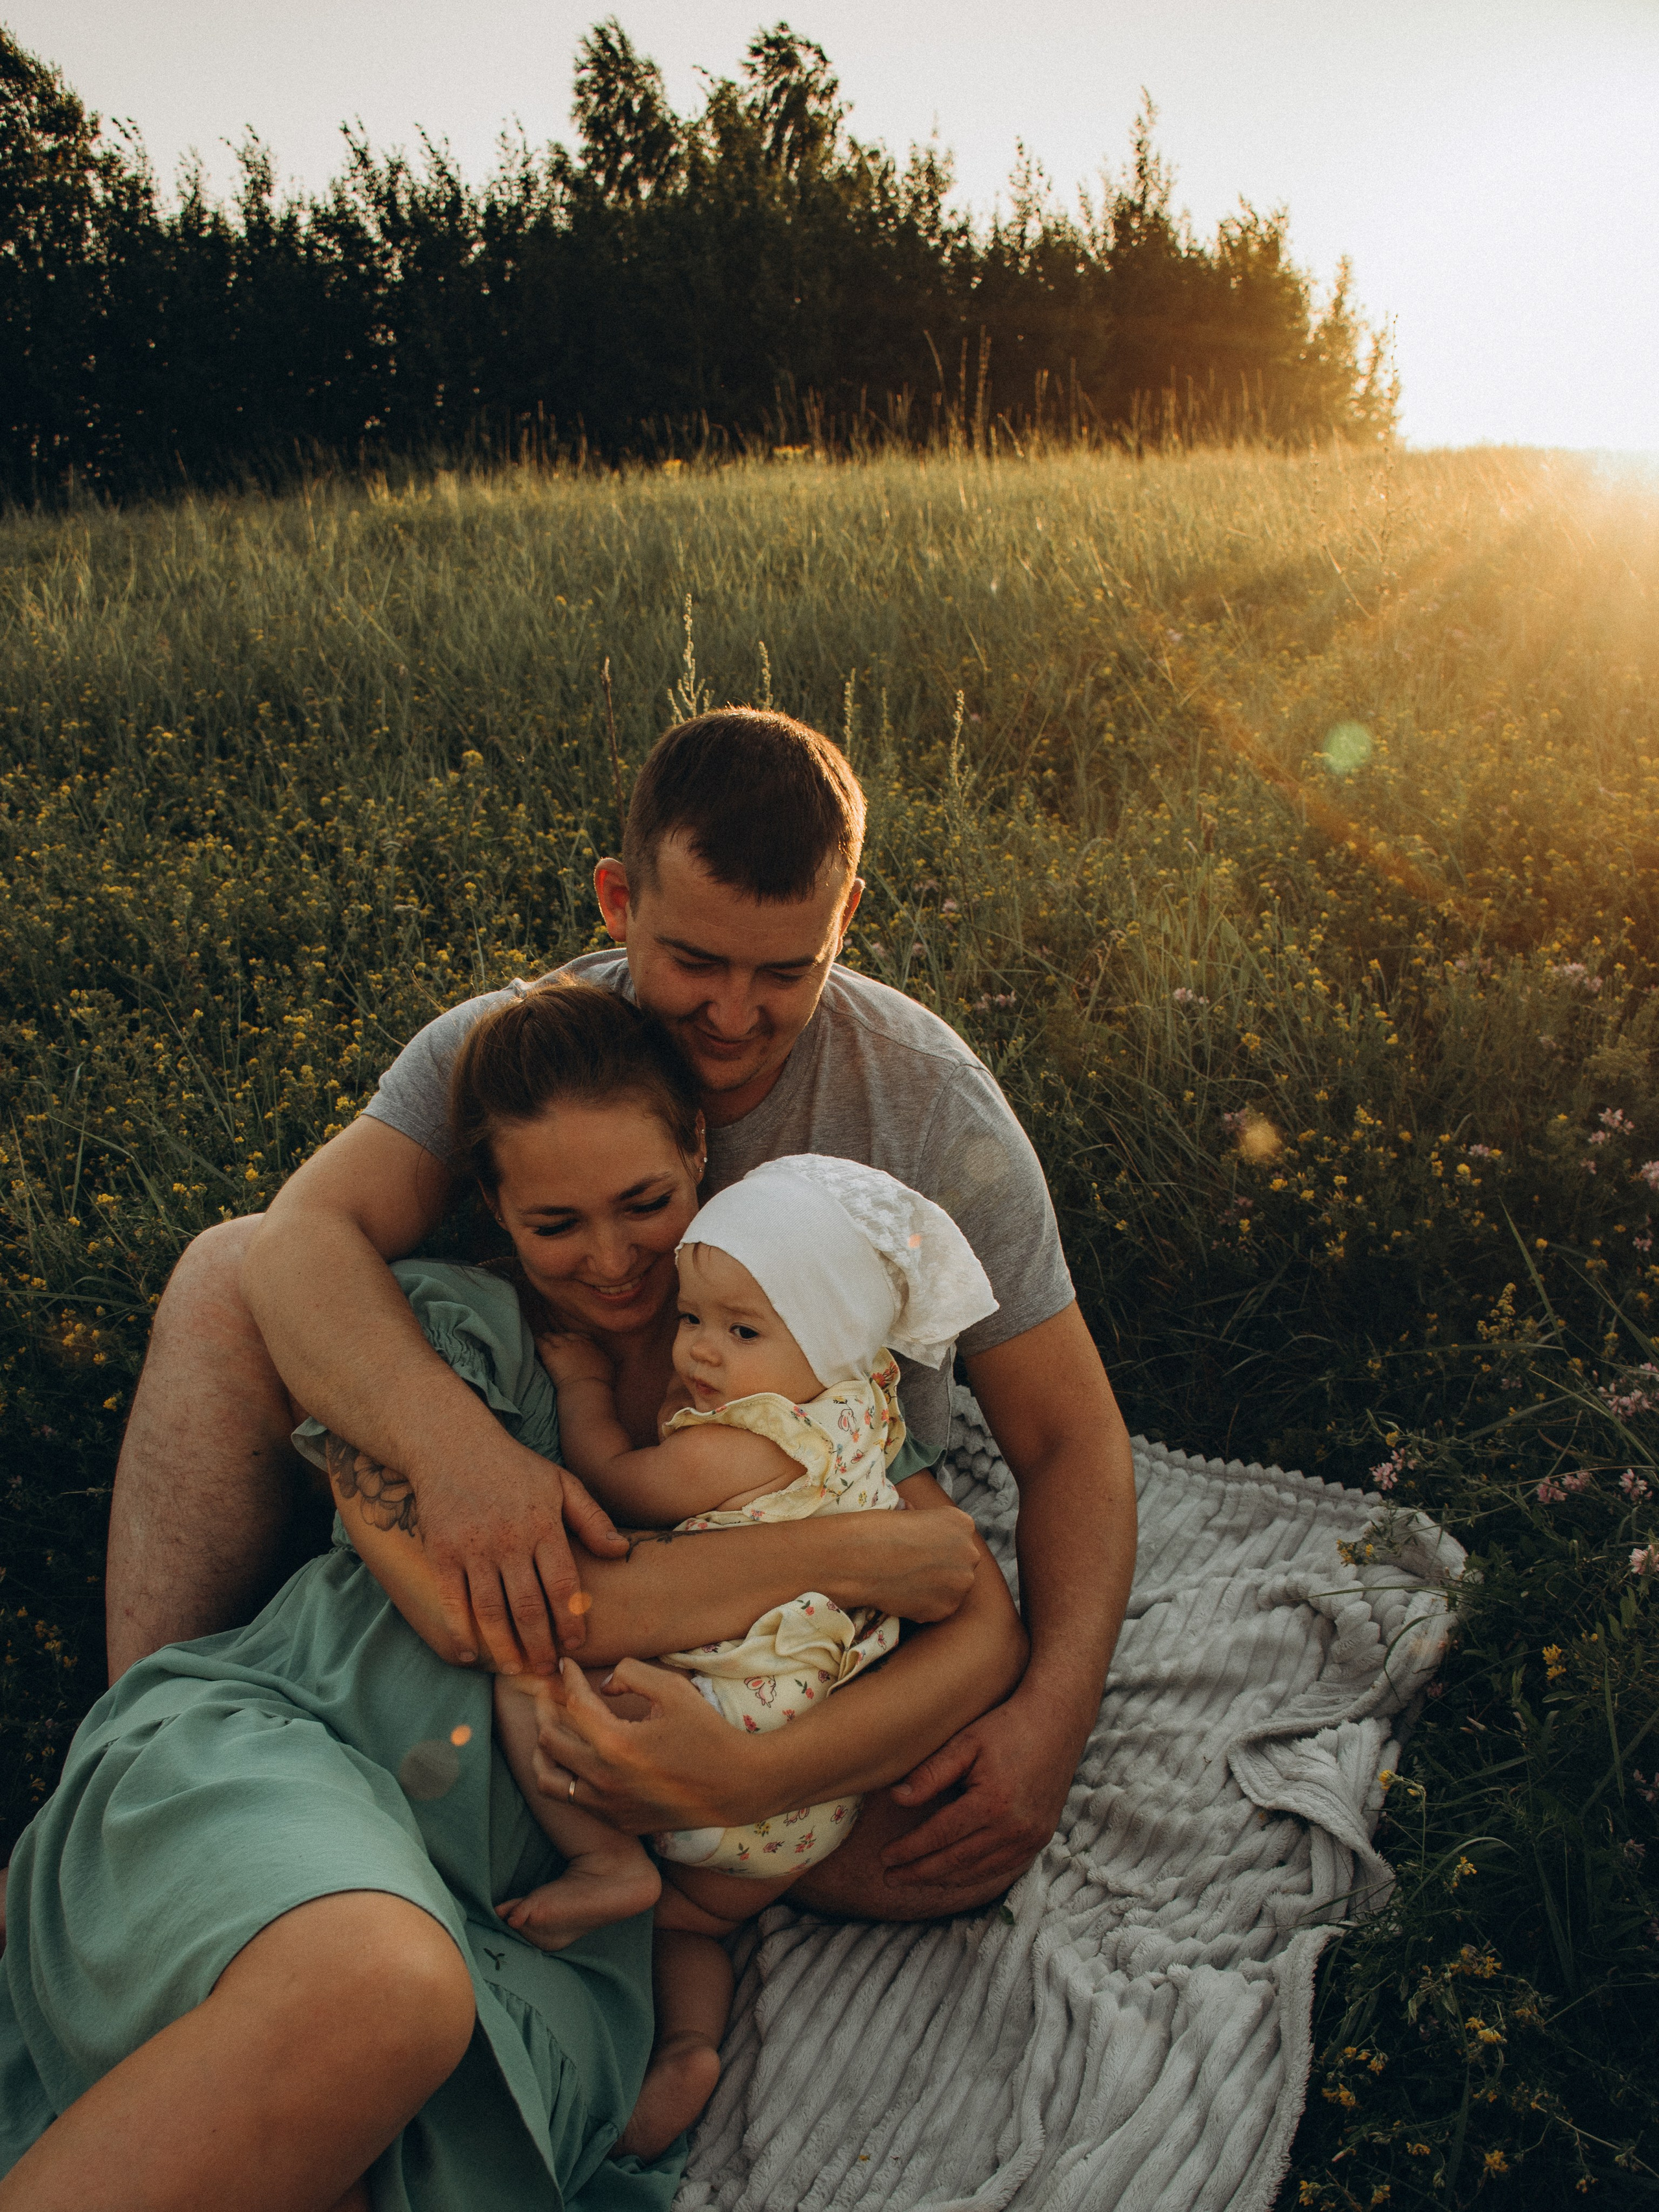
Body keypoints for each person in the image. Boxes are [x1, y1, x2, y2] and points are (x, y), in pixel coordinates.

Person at [104, 706, 1138, 1918]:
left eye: (786, 970)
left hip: (821, 1554)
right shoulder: (520, 1057)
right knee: (224, 1274)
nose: (736, 1014)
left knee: (942, 1837)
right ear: (618, 901)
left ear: (847, 918)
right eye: (695, 960)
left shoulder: (930, 1104)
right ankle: (142, 1753)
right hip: (580, 1513)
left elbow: (1068, 1438)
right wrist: (460, 1456)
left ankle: (651, 1841)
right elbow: (294, 1243)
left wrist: (1051, 1721)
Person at [0, 985, 1012, 2207]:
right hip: (322, 1747)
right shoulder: (444, 1340)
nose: (614, 1258)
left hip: (545, 1921)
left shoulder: (795, 1366)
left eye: (646, 1203)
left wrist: (754, 1777)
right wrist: (843, 1557)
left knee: (346, 2114)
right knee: (379, 1987)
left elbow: (972, 1608)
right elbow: (483, 1611)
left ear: (698, 1153)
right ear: (495, 1209)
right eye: (556, 1222)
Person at [497, 1151, 1002, 2145]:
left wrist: (582, 1385)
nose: (700, 1351)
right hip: (815, 1794)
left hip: (719, 1724)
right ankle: (690, 2045)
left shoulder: (750, 1437)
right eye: (692, 1318)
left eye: (741, 1331)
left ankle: (605, 1863)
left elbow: (622, 1477)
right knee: (698, 1921)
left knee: (527, 1671)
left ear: (828, 1337)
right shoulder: (865, 1413)